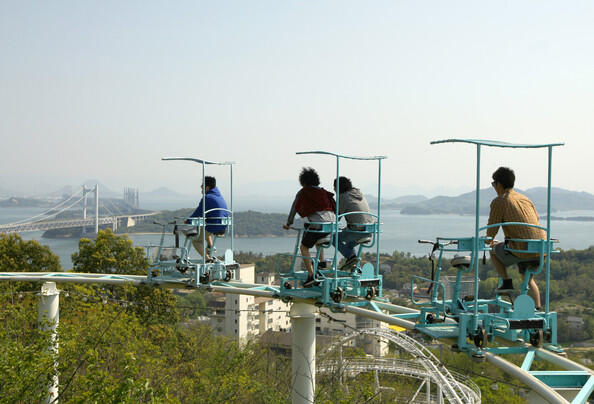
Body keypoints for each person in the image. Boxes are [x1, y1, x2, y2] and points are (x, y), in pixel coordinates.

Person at [486, 167, 545, 309]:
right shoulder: (525, 199)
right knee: (527, 278)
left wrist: (489, 241)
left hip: (521, 248)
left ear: (499, 184)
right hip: (540, 248)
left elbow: (491, 230)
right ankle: (537, 308)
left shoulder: (500, 201)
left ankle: (506, 283)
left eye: (494, 184)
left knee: (493, 250)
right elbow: (534, 220)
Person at [283, 167, 336, 287]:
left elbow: (294, 208)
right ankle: (321, 262)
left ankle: (311, 275)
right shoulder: (324, 192)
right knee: (317, 239)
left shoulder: (304, 192)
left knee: (304, 247)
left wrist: (288, 223)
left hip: (318, 226)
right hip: (330, 226)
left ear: (304, 182)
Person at [333, 176, 374, 270]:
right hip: (368, 230)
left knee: (334, 237)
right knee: (349, 245)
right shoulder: (359, 194)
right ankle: (356, 267)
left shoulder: (343, 196)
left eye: (334, 187)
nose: (334, 190)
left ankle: (350, 257)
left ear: (339, 187)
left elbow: (337, 218)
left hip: (357, 231)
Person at [187, 176, 229, 262]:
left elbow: (198, 213)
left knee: (195, 240)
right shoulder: (218, 196)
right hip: (222, 226)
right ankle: (210, 246)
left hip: (214, 226)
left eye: (202, 185)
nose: (201, 187)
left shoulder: (207, 198)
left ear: (207, 187)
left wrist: (188, 221)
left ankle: (207, 259)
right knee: (205, 228)